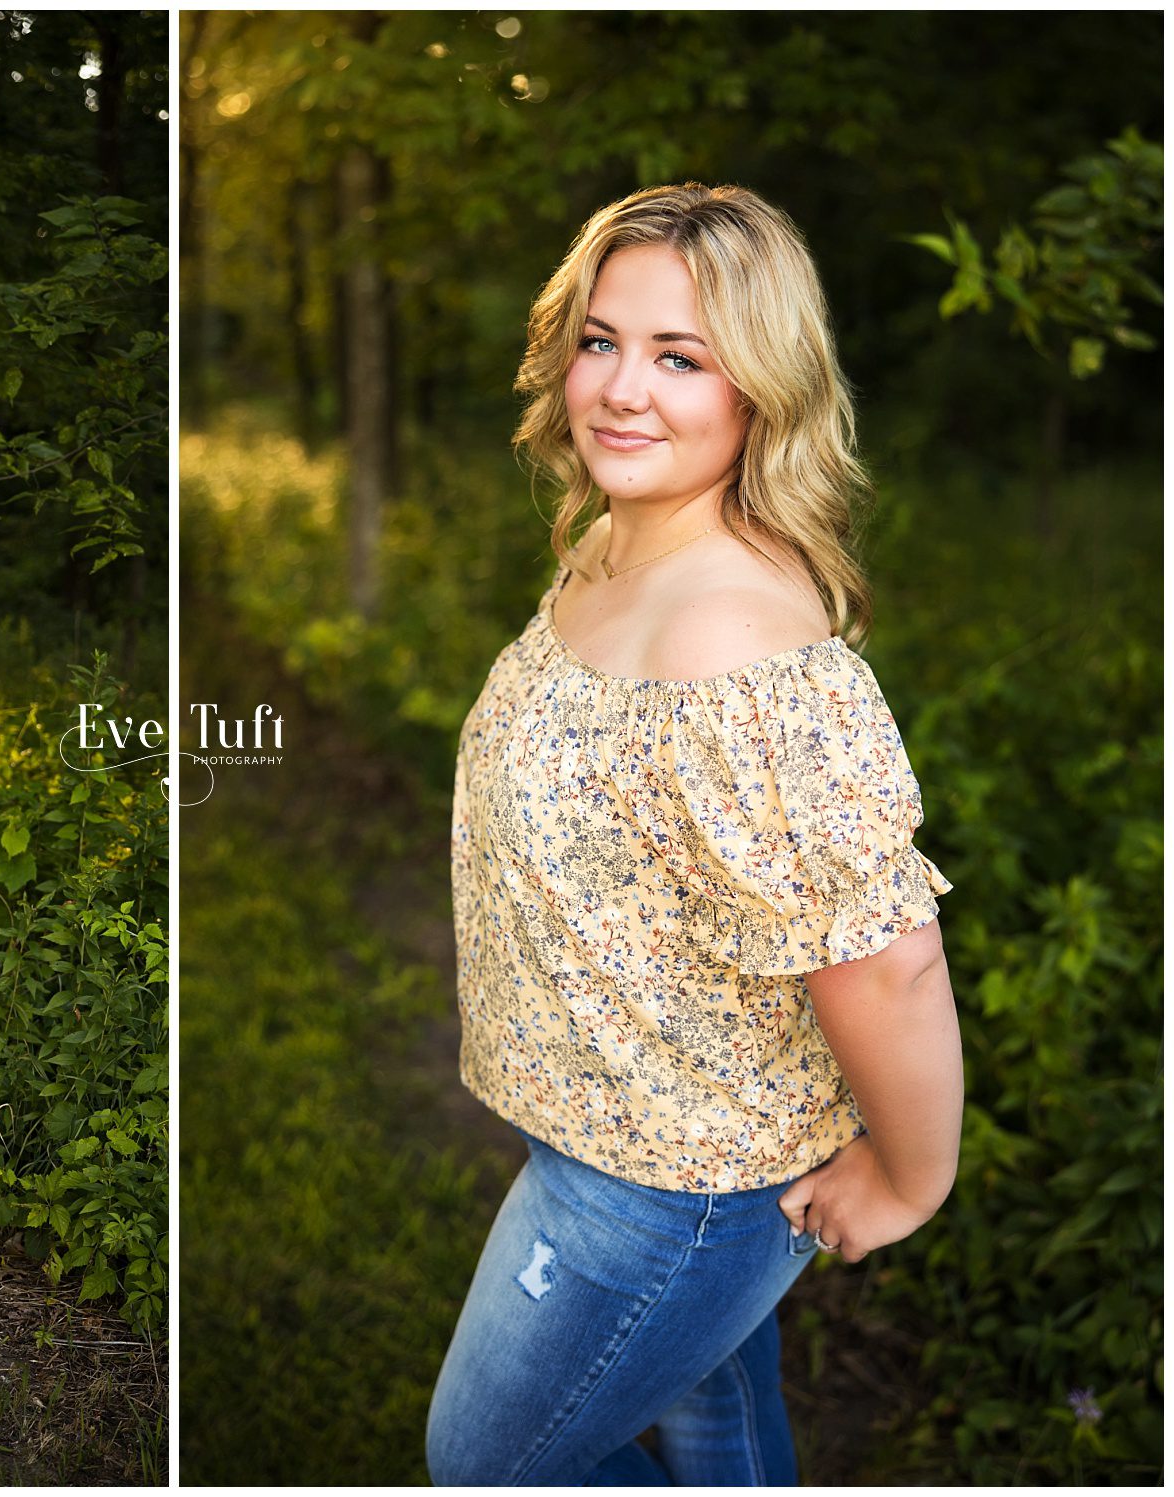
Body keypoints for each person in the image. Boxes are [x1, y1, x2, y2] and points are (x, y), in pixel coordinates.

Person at [425, 184, 962, 1485]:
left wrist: (906, 1181)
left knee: (486, 1463)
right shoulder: (618, 543)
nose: (620, 387)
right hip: (625, 1122)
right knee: (710, 1437)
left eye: (680, 357)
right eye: (601, 339)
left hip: (676, 1184)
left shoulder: (731, 640)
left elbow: (886, 957)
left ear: (759, 391)